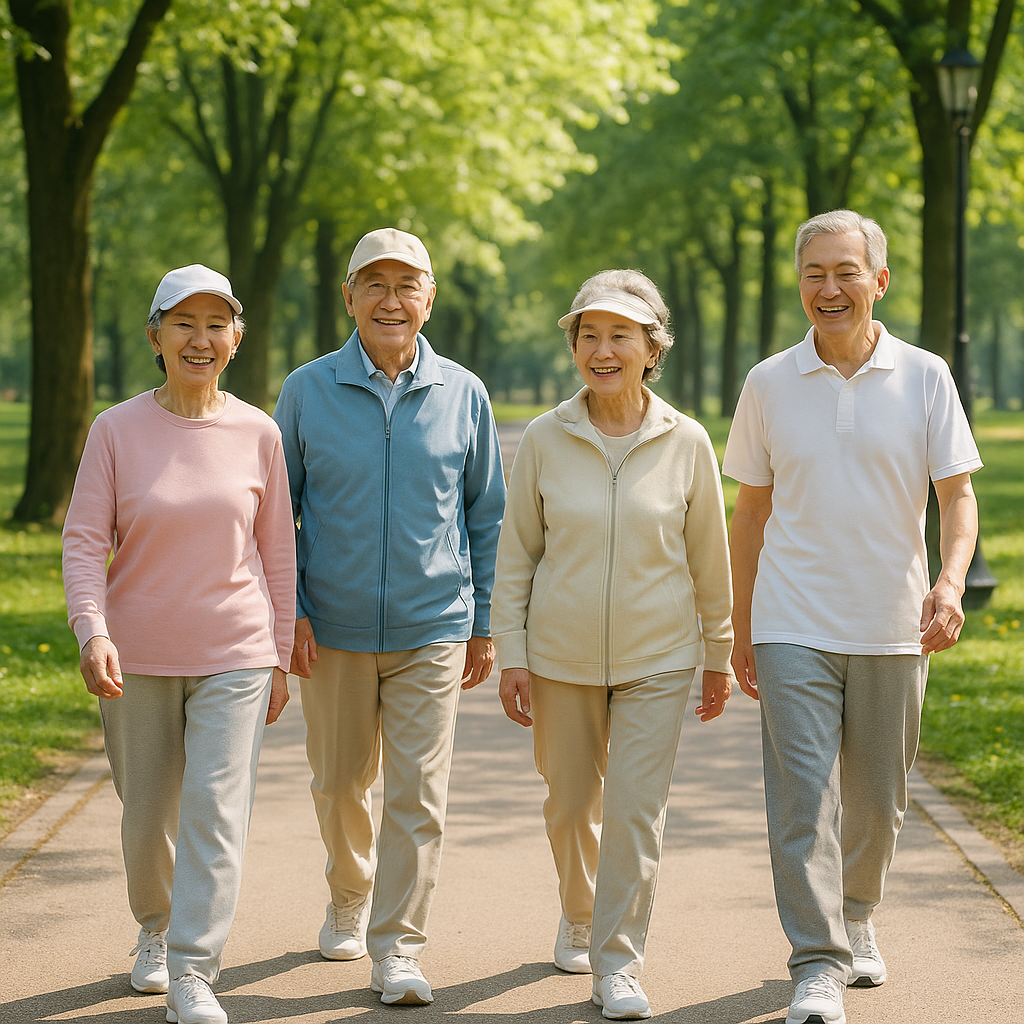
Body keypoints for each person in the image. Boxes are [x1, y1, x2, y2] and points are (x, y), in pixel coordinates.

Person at [723, 210, 982, 1024]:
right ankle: (817, 962)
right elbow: (750, 516)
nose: (828, 289)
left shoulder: (926, 375)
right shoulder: (768, 382)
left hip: (893, 624)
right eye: (813, 274)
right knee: (802, 799)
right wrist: (739, 626)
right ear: (798, 283)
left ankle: (858, 912)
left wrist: (949, 582)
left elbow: (958, 497)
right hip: (792, 618)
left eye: (844, 272)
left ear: (879, 279)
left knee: (877, 798)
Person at [491, 269, 734, 1020]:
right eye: (588, 335)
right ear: (573, 345)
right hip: (559, 657)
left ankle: (618, 961)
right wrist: (513, 653)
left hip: (657, 659)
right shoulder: (545, 436)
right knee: (570, 806)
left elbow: (709, 557)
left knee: (634, 812)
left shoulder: (686, 440)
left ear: (651, 347)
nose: (603, 349)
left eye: (620, 335)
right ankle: (579, 910)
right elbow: (518, 554)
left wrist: (717, 652)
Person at [272, 227, 505, 1006]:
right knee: (340, 784)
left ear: (429, 299)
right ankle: (349, 888)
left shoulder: (464, 392)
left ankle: (398, 948)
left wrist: (483, 617)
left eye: (407, 285)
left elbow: (485, 513)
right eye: (374, 283)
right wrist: (293, 610)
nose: (391, 299)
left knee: (418, 795)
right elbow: (278, 515)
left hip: (432, 622)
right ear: (349, 296)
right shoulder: (306, 390)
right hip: (330, 628)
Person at [62, 265, 296, 1024]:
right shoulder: (115, 429)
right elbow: (83, 542)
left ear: (235, 339)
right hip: (138, 657)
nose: (201, 339)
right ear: (156, 335)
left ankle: (195, 969)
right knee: (148, 814)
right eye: (184, 324)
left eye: (216, 325)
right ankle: (155, 929)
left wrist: (281, 653)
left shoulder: (259, 431)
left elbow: (279, 555)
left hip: (237, 651)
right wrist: (92, 630)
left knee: (216, 811)